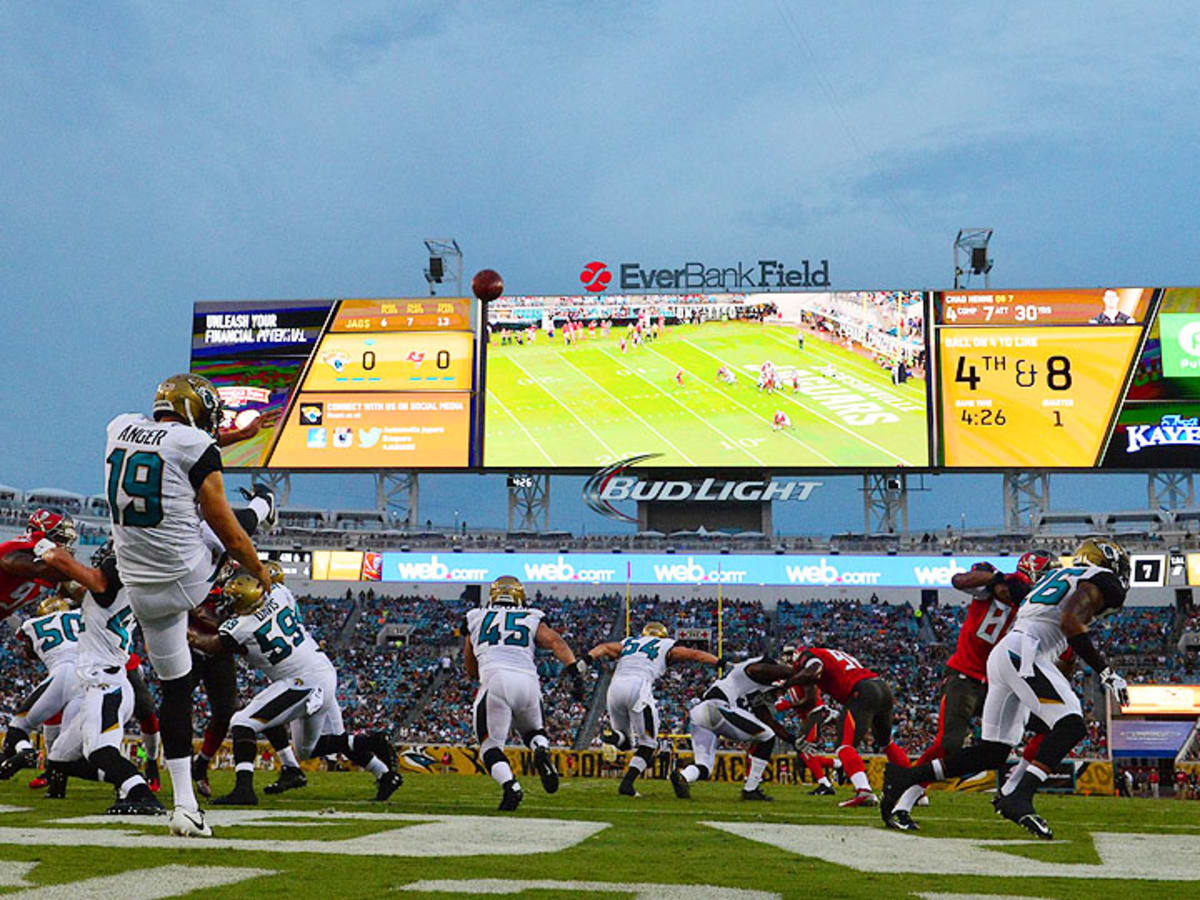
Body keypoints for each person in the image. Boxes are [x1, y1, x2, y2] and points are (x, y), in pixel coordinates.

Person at [105, 372, 272, 837]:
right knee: (209, 526)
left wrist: (236, 435)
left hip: (139, 586)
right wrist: (259, 571)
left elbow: (170, 442)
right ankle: (264, 507)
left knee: (175, 688)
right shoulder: (196, 447)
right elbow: (228, 530)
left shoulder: (117, 427)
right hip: (187, 578)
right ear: (196, 410)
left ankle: (185, 806)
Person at [882, 539, 1132, 840]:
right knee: (1071, 724)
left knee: (993, 752)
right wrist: (1106, 672)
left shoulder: (1050, 585)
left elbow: (1062, 641)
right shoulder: (1098, 580)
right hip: (1016, 657)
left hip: (1005, 657)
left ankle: (906, 777)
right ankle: (1019, 796)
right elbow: (1069, 621)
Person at [186, 573, 401, 806]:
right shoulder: (279, 594)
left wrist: (188, 636)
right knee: (308, 749)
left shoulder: (240, 626)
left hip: (301, 682)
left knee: (242, 722)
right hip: (321, 671)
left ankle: (244, 790)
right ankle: (379, 761)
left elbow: (213, 645)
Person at [885, 551, 1053, 831]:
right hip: (964, 678)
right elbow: (959, 579)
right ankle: (903, 799)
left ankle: (1011, 789)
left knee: (1044, 726)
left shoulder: (1032, 604)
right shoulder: (993, 585)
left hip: (997, 683)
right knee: (948, 744)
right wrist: (1000, 579)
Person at [34, 540, 164, 813]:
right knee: (59, 759)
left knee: (100, 750)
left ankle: (142, 796)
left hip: (106, 684)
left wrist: (42, 545)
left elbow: (66, 566)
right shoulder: (121, 591)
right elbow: (81, 589)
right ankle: (127, 781)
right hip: (106, 681)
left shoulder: (107, 589)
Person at [463, 575, 589, 811]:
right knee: (533, 731)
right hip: (529, 681)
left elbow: (470, 666)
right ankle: (541, 749)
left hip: (496, 679)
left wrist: (479, 670)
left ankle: (511, 786)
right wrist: (574, 672)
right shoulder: (532, 616)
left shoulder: (476, 616)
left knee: (490, 747)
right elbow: (556, 642)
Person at [588, 622, 718, 797]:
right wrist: (718, 661)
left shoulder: (629, 643)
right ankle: (626, 785)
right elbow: (693, 654)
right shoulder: (664, 645)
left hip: (614, 689)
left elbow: (603, 647)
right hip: (638, 688)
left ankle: (613, 736)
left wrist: (586, 660)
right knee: (649, 744)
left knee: (626, 743)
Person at [783, 645, 911, 807]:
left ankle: (864, 790)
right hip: (881, 687)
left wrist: (787, 683)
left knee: (844, 745)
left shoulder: (810, 655)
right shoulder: (831, 653)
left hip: (862, 691)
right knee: (886, 742)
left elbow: (814, 669)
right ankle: (916, 792)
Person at [669, 655, 799, 802]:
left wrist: (793, 740)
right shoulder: (752, 669)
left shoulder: (750, 689)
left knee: (704, 768)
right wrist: (797, 672)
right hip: (719, 709)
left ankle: (684, 776)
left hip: (700, 714)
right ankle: (751, 789)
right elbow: (761, 669)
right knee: (767, 736)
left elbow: (769, 721)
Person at [0, 595, 82, 779]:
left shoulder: (31, 624)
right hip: (87, 678)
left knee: (18, 726)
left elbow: (30, 653)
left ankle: (26, 751)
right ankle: (57, 785)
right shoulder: (81, 614)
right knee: (66, 745)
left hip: (61, 673)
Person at [0, 509, 77, 621]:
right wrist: (75, 571)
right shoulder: (18, 551)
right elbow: (11, 561)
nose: (65, 546)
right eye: (61, 539)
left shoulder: (48, 569)